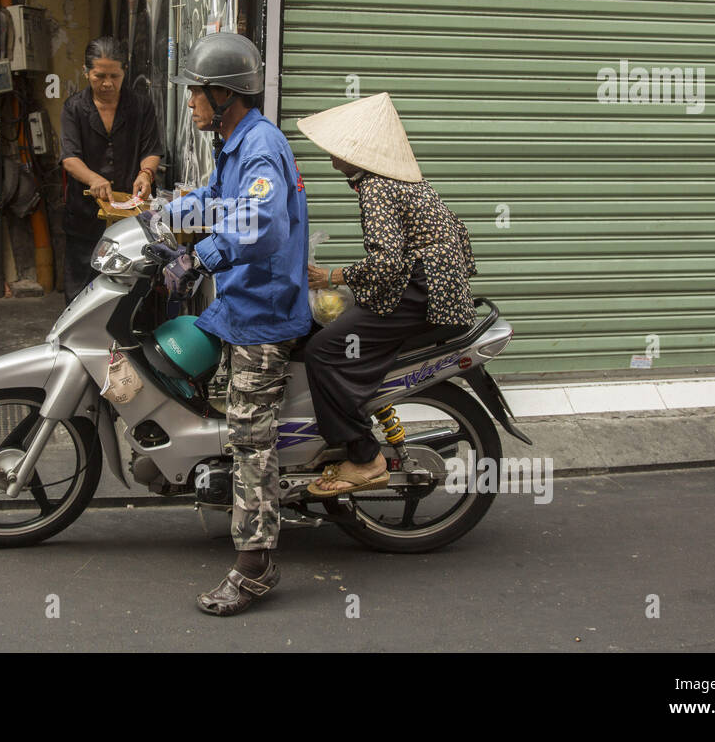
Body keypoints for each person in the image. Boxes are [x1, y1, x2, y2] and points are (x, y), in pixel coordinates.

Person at [155, 32, 311, 616]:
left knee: (249, 436)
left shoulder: (261, 147)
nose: (190, 101)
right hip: (239, 304)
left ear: (225, 94)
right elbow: (219, 203)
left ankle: (255, 565)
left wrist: (200, 256)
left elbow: (263, 228)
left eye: (196, 91)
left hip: (264, 314)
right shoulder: (235, 141)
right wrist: (159, 218)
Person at [296, 92, 477, 496]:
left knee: (323, 351)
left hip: (421, 293)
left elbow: (387, 264)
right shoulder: (402, 181)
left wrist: (332, 276)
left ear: (357, 151)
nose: (330, 151)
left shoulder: (376, 187)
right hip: (433, 291)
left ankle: (364, 456)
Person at [59, 37, 163, 301]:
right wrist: (93, 178)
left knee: (127, 288)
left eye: (114, 76)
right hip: (84, 216)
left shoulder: (140, 105)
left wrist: (146, 173)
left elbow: (151, 150)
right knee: (81, 287)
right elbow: (70, 158)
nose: (107, 83)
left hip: (129, 215)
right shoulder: (74, 108)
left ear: (124, 71)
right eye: (99, 76)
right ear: (86, 72)